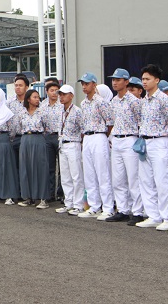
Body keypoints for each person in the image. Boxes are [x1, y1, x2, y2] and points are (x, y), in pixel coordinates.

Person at [135, 64, 168, 231]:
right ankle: (153, 215)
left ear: (156, 80)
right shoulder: (143, 100)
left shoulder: (163, 99)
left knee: (162, 180)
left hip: (160, 141)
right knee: (146, 181)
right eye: (143, 79)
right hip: (145, 142)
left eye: (147, 79)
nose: (144, 82)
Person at [106, 68, 144, 225]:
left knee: (133, 177)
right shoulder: (113, 101)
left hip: (130, 138)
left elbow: (141, 121)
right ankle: (123, 209)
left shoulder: (134, 101)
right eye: (113, 79)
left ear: (126, 82)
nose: (115, 82)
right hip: (118, 139)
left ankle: (138, 211)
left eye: (118, 79)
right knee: (118, 177)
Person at [77, 72, 115, 220]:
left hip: (99, 135)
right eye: (83, 84)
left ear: (94, 84)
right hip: (87, 137)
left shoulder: (101, 102)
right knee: (89, 173)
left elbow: (110, 122)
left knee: (102, 172)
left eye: (87, 84)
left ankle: (108, 207)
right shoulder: (83, 103)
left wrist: (104, 136)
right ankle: (94, 206)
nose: (84, 87)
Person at [17, 89, 51, 209]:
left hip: (38, 139)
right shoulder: (22, 113)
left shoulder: (42, 112)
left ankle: (43, 198)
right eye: (35, 97)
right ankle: (28, 197)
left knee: (40, 167)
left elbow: (48, 127)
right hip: (25, 139)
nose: (37, 99)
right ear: (28, 99)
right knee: (26, 168)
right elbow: (18, 127)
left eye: (38, 97)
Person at [55, 85, 85, 215]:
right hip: (63, 144)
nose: (61, 97)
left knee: (76, 175)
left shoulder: (77, 111)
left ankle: (78, 204)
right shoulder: (60, 111)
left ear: (71, 96)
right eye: (60, 94)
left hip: (73, 144)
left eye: (64, 94)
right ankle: (69, 202)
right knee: (65, 176)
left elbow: (82, 129)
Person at [41, 82, 62, 201]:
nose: (54, 93)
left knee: (62, 167)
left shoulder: (62, 104)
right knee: (49, 167)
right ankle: (50, 193)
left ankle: (61, 193)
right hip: (48, 136)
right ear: (47, 92)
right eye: (51, 90)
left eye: (56, 90)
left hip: (59, 136)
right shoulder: (43, 105)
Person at [6, 75, 30, 170]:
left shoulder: (32, 102)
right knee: (14, 167)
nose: (18, 88)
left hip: (27, 138)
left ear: (26, 87)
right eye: (16, 85)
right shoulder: (9, 103)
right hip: (13, 139)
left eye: (20, 85)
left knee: (26, 167)